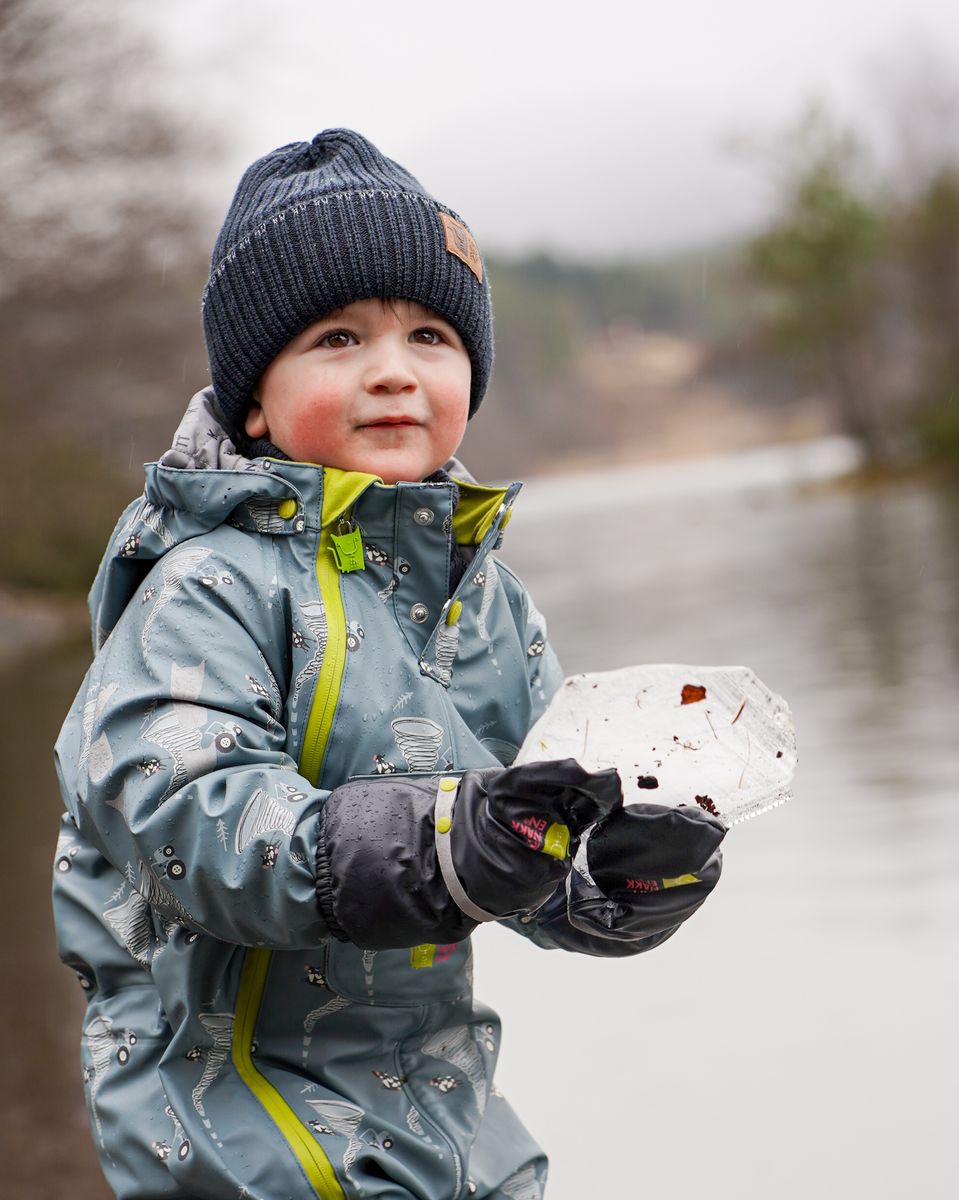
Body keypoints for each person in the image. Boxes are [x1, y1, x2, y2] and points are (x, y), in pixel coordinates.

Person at [52, 129, 725, 1200]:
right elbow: (179, 815)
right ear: (254, 402)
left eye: (427, 334)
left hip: (449, 1132)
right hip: (247, 1139)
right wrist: (434, 840)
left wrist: (629, 866)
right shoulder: (203, 585)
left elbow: (529, 852)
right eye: (336, 337)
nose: (392, 371)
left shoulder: (485, 602)